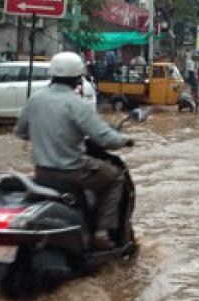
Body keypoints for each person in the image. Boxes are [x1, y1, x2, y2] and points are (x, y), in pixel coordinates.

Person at [15, 52, 134, 250]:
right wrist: (125, 140)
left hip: (42, 171)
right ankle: (102, 231)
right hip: (72, 170)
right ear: (78, 78)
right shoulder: (77, 103)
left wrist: (43, 137)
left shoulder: (35, 99)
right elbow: (103, 137)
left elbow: (20, 131)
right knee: (116, 177)